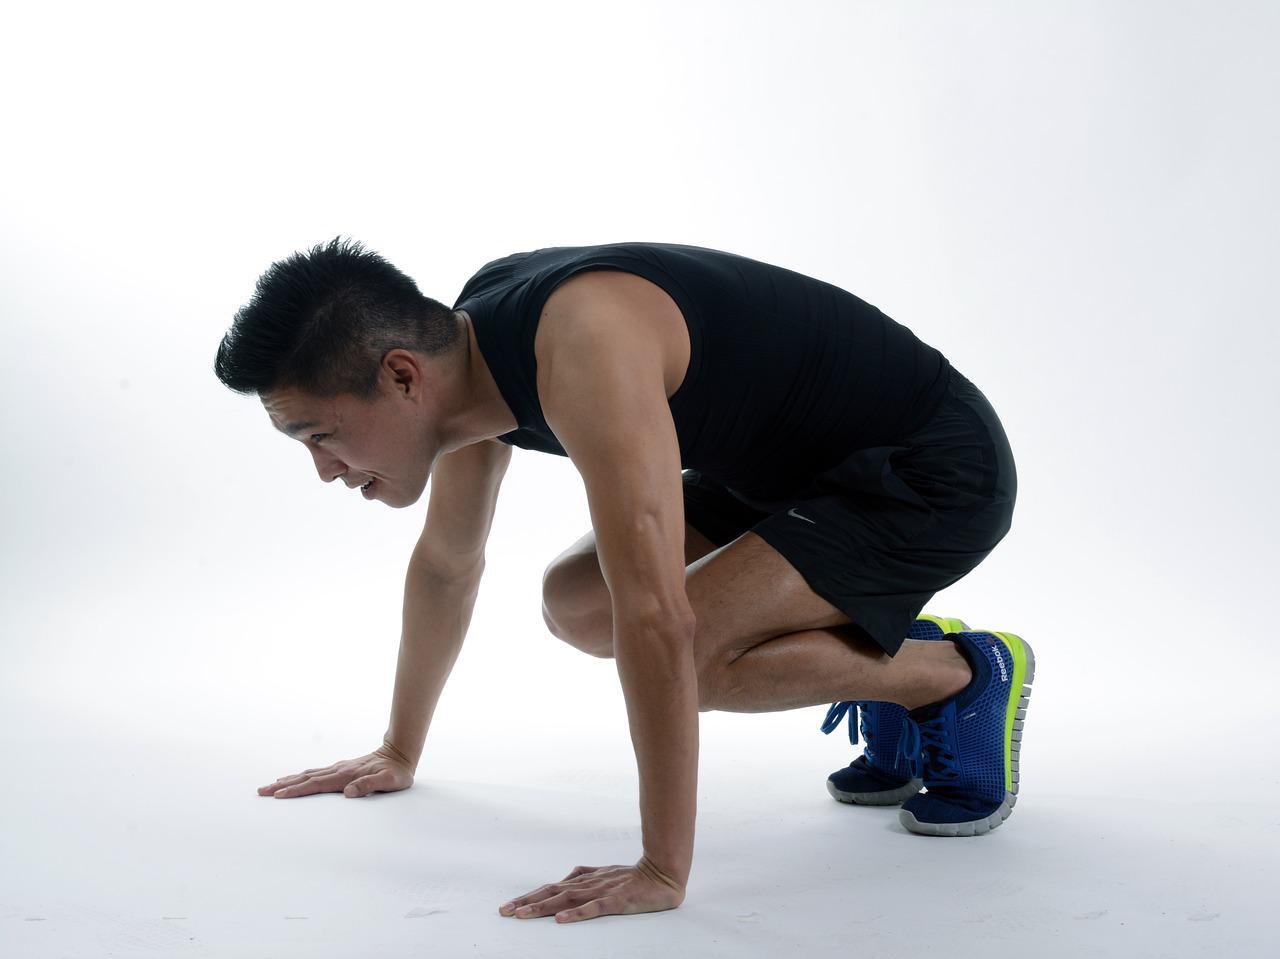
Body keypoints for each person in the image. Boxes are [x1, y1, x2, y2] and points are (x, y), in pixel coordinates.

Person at [214, 236, 1033, 925]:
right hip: (783, 476)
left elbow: (658, 616)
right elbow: (447, 562)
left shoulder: (585, 343)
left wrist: (661, 867)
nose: (325, 469)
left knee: (687, 656)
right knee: (576, 604)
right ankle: (883, 646)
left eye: (320, 435)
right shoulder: (459, 360)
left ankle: (957, 676)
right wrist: (399, 748)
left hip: (927, 468)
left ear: (401, 376)